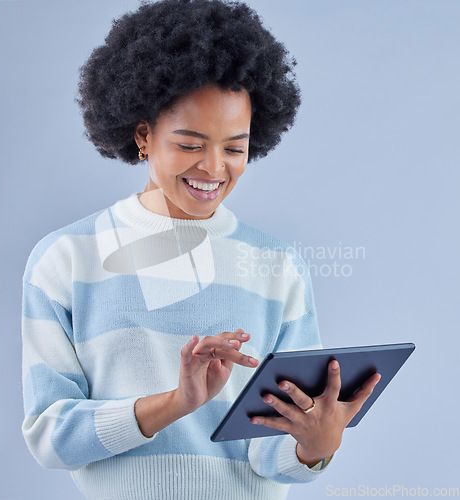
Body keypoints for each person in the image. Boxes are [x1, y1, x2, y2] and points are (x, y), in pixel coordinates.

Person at [21, 1, 380, 499]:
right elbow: (50, 437)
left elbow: (270, 452)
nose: (214, 168)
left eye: (235, 148)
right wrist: (176, 401)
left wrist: (313, 446)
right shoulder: (65, 259)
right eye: (191, 144)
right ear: (144, 134)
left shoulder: (276, 267)